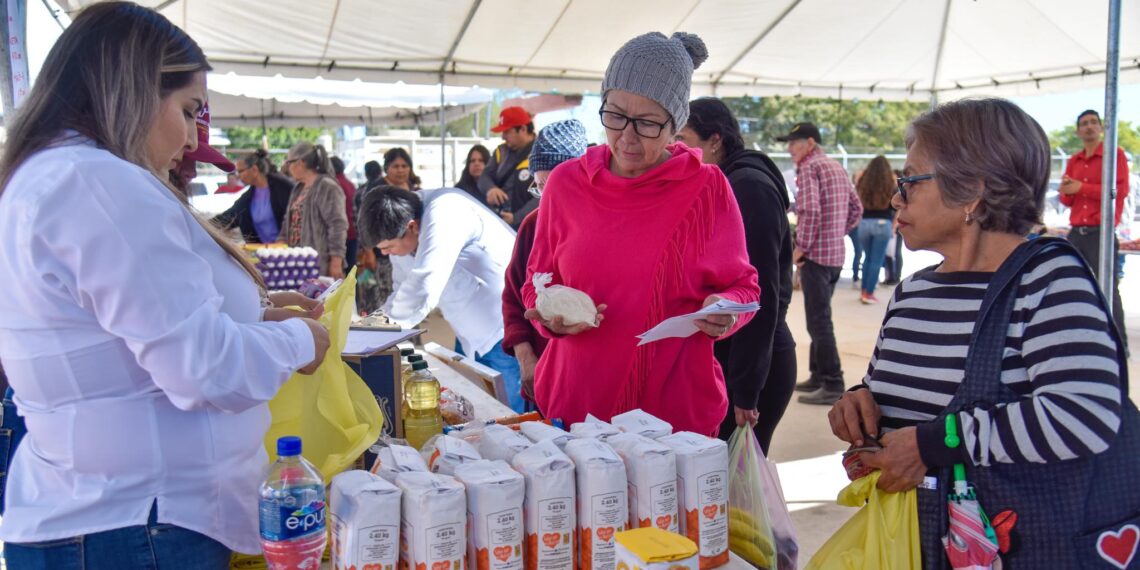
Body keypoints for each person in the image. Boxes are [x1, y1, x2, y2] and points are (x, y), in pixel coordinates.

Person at [0, 3, 330, 566]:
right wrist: (302, 341)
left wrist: (257, 317)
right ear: (130, 90)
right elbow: (204, 368)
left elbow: (133, 334)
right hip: (135, 526)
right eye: (187, 109)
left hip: (115, 518)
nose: (192, 136)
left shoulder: (58, 177)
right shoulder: (100, 184)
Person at [827, 97, 1135, 568]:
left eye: (909, 182)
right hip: (917, 542)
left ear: (972, 189)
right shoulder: (913, 291)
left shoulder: (1047, 281)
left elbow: (1083, 414)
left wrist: (930, 446)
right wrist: (863, 400)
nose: (895, 199)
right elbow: (910, 393)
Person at [520, 32, 760, 437]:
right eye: (615, 115)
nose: (626, 137)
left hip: (672, 417)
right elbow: (535, 281)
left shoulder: (705, 189)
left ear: (675, 123)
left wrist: (725, 310)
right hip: (576, 407)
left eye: (648, 123)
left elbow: (745, 288)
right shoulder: (565, 184)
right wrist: (549, 318)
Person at [676, 98, 796, 454]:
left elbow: (762, 297)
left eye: (684, 138)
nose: (676, 149)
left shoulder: (748, 187)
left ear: (715, 140)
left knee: (733, 494)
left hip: (754, 363)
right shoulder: (721, 182)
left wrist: (746, 389)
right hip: (733, 358)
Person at [357, 187, 526, 412]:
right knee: (478, 407)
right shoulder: (403, 231)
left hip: (502, 328)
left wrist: (373, 334)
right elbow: (402, 288)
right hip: (468, 329)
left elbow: (424, 284)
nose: (386, 253)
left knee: (509, 413)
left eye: (388, 247)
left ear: (412, 227)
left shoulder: (445, 211)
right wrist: (373, 326)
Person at [501, 120, 588, 408]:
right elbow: (514, 299)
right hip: (544, 375)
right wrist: (526, 359)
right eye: (541, 187)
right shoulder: (533, 224)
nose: (549, 198)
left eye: (558, 185)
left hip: (588, 377)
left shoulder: (603, 225)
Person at [781, 122, 862, 405]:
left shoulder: (809, 168)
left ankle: (832, 381)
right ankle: (818, 375)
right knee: (820, 319)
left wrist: (801, 247)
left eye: (795, 142)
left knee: (819, 323)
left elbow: (811, 210)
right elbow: (856, 209)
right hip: (835, 255)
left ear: (811, 143)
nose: (790, 148)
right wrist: (835, 232)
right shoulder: (835, 166)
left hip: (816, 256)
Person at [1060, 109, 1130, 351]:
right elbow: (1066, 199)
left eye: (1093, 122)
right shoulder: (1074, 160)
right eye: (1084, 123)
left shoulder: (1114, 155)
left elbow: (1118, 193)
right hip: (1076, 231)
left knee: (1107, 288)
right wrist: (1070, 189)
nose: (1089, 126)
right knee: (1071, 286)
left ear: (1101, 128)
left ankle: (1119, 345)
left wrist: (1081, 187)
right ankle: (1079, 340)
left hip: (1101, 231)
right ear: (1078, 131)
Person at [280, 141, 349, 278]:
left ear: (300, 163)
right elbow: (288, 221)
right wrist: (280, 242)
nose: (287, 167)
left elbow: (337, 225)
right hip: (298, 262)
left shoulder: (327, 186)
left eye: (288, 163)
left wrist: (336, 261)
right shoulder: (298, 188)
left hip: (320, 263)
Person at [212, 148, 293, 244]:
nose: (238, 176)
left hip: (289, 252)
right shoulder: (247, 197)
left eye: (240, 171)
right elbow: (228, 217)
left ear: (254, 170)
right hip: (262, 254)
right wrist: (202, 225)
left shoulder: (284, 187)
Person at [479, 106, 537, 227]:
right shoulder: (501, 152)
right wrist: (490, 188)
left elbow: (544, 196)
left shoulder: (543, 153)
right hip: (500, 224)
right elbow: (484, 177)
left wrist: (516, 218)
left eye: (507, 131)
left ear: (523, 129)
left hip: (529, 228)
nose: (503, 137)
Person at [854, 155, 896, 304]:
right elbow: (895, 207)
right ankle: (869, 293)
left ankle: (863, 290)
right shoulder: (891, 183)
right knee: (876, 260)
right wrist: (894, 225)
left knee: (867, 258)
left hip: (864, 223)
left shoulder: (863, 182)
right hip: (883, 223)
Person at [330, 156, 358, 269]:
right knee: (350, 272)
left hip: (339, 237)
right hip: (352, 234)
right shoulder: (350, 184)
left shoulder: (331, 185)